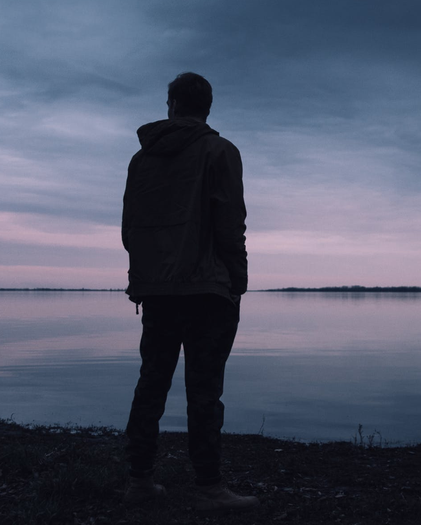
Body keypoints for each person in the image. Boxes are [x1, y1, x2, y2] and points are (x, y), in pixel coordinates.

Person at [121, 72, 258, 513]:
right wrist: (238, 281)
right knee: (204, 392)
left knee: (151, 384)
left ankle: (139, 480)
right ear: (207, 107)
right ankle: (209, 487)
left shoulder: (141, 161)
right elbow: (229, 224)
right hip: (207, 292)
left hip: (158, 291)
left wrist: (146, 277)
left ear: (173, 105)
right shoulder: (221, 151)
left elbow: (130, 231)